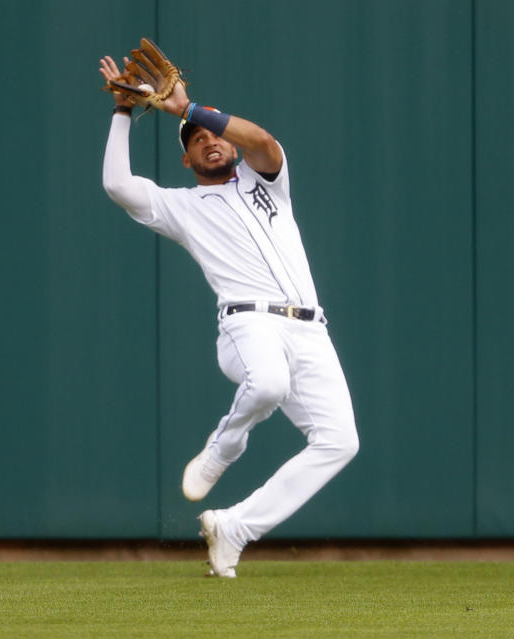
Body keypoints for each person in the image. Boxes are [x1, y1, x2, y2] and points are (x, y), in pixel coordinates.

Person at [99, 53, 359, 578]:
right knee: (266, 384)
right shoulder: (183, 207)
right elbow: (117, 185)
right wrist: (123, 113)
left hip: (310, 328)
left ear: (230, 144)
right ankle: (224, 445)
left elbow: (263, 140)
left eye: (214, 134)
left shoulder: (267, 182)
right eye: (196, 140)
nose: (209, 140)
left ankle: (235, 527)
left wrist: (186, 108)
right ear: (187, 161)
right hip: (249, 325)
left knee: (340, 442)